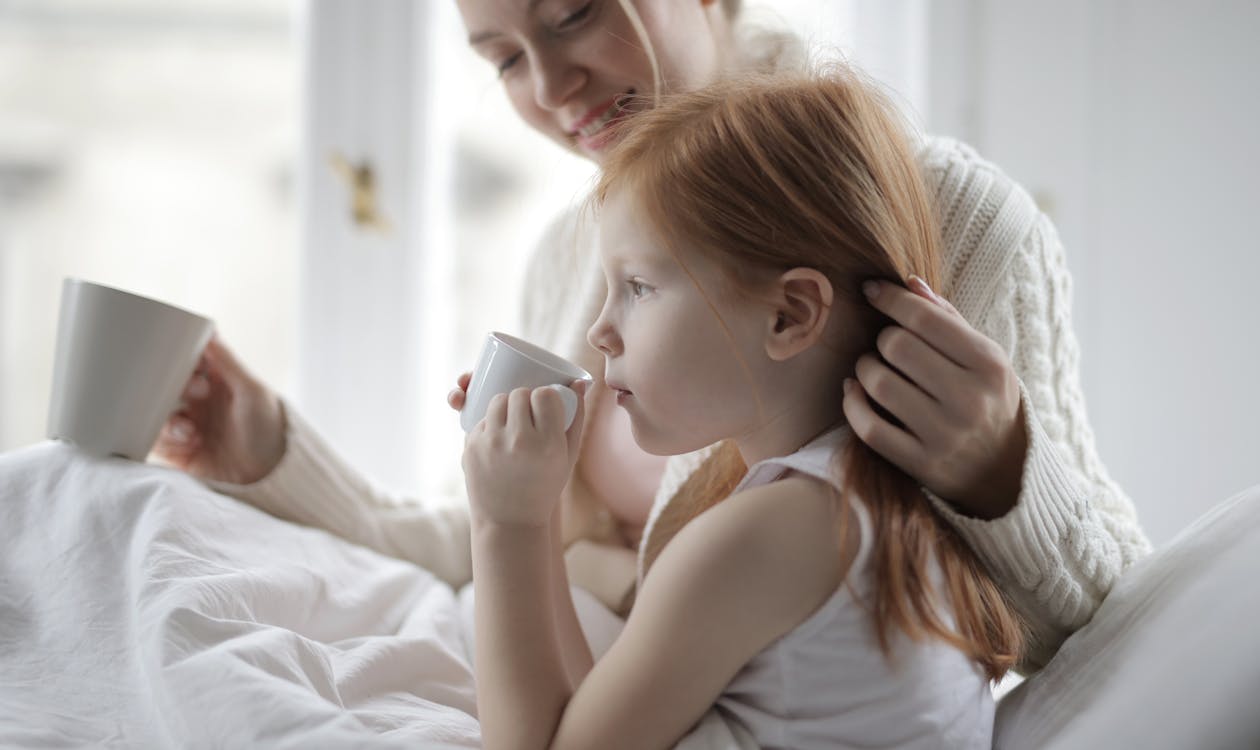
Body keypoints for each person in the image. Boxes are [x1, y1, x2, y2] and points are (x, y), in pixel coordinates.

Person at [153, 0, 1148, 673]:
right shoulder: (573, 251)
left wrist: (1000, 474)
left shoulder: (947, 218)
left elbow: (1110, 633)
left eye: (577, 10)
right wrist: (271, 450)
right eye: (501, 58)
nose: (547, 85)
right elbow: (499, 545)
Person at [465, 67, 1023, 749]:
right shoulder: (868, 501)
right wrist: (543, 504)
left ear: (790, 316)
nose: (598, 332)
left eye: (638, 287)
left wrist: (505, 524)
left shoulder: (764, 536)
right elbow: (596, 722)